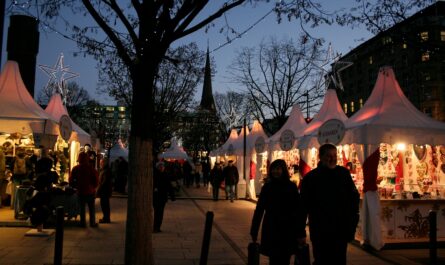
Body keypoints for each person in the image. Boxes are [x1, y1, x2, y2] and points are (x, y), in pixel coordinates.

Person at [300, 143, 360, 265]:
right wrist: (300, 232)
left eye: (334, 155)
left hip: (340, 228)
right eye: (328, 156)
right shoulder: (311, 178)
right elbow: (303, 207)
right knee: (322, 259)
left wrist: (352, 224)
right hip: (320, 229)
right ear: (320, 157)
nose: (332, 159)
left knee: (339, 259)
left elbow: (353, 199)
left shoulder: (343, 174)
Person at [250, 159, 306, 265]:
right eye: (273, 169)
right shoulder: (267, 187)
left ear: (283, 170)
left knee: (285, 258)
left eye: (278, 169)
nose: (275, 171)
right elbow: (259, 209)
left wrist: (301, 232)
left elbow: (298, 210)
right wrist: (254, 230)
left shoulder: (291, 187)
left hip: (288, 228)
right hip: (272, 228)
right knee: (274, 259)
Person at [69, 152, 99, 228]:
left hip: (81, 191)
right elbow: (96, 180)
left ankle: (83, 223)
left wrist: (75, 186)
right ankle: (92, 223)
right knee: (91, 208)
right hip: (90, 191)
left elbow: (71, 180)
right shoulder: (91, 168)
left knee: (82, 208)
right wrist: (94, 187)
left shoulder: (76, 168)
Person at [153, 161, 175, 233]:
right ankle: (156, 227)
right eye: (160, 167)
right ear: (158, 167)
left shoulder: (165, 175)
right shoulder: (154, 175)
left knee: (160, 212)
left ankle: (158, 227)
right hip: (156, 197)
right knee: (157, 212)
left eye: (163, 167)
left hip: (162, 197)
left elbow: (169, 186)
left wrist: (172, 195)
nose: (162, 168)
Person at [97, 157, 113, 223]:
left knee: (105, 205)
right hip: (105, 190)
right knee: (104, 205)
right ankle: (105, 218)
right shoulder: (104, 170)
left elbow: (104, 182)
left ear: (104, 163)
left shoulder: (106, 171)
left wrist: (99, 189)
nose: (100, 164)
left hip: (105, 191)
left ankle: (106, 218)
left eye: (101, 162)